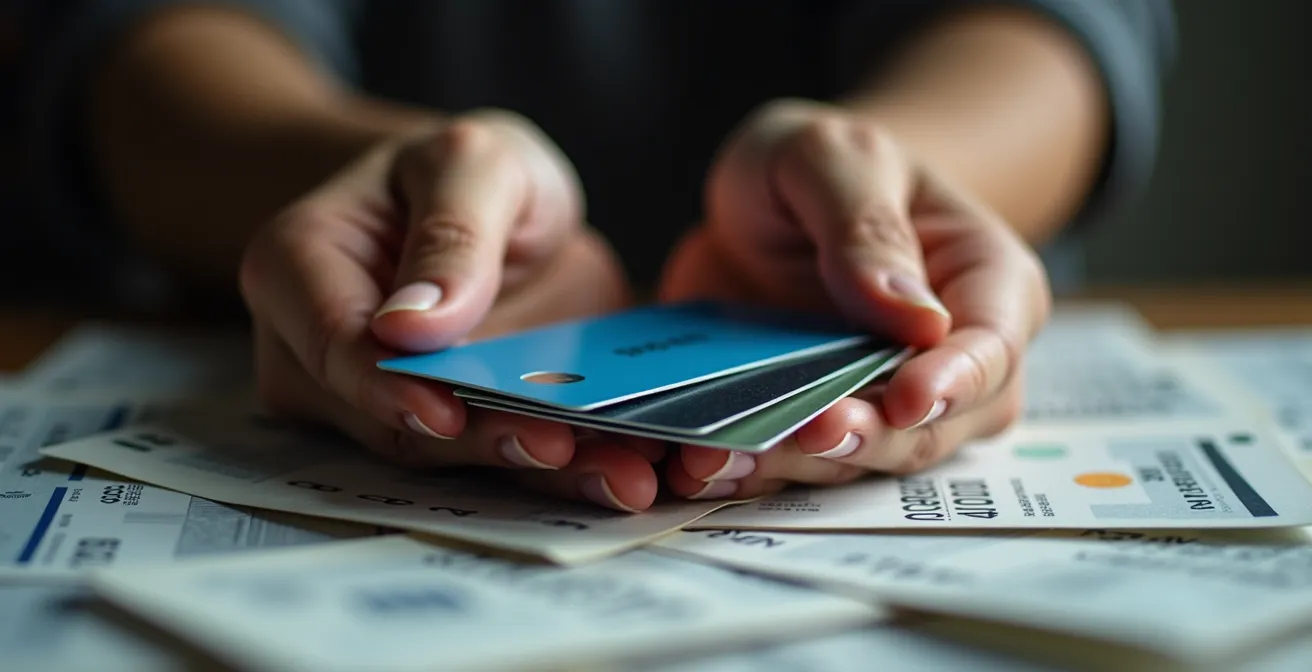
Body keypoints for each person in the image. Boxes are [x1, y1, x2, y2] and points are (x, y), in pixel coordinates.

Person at [18, 1, 1174, 512]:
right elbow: (139, 36)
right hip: (321, 327)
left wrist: (893, 183)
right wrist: (359, 191)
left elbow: (1049, 24)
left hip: (850, 323)